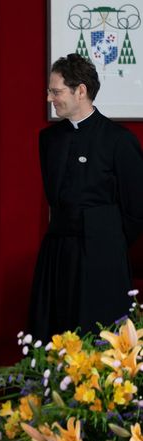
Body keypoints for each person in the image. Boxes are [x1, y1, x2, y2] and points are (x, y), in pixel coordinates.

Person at [29, 53, 143, 342]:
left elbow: (136, 209)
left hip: (102, 256)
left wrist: (107, 239)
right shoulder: (49, 141)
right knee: (54, 334)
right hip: (57, 253)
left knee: (98, 338)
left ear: (81, 91)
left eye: (56, 91)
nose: (49, 98)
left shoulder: (119, 140)